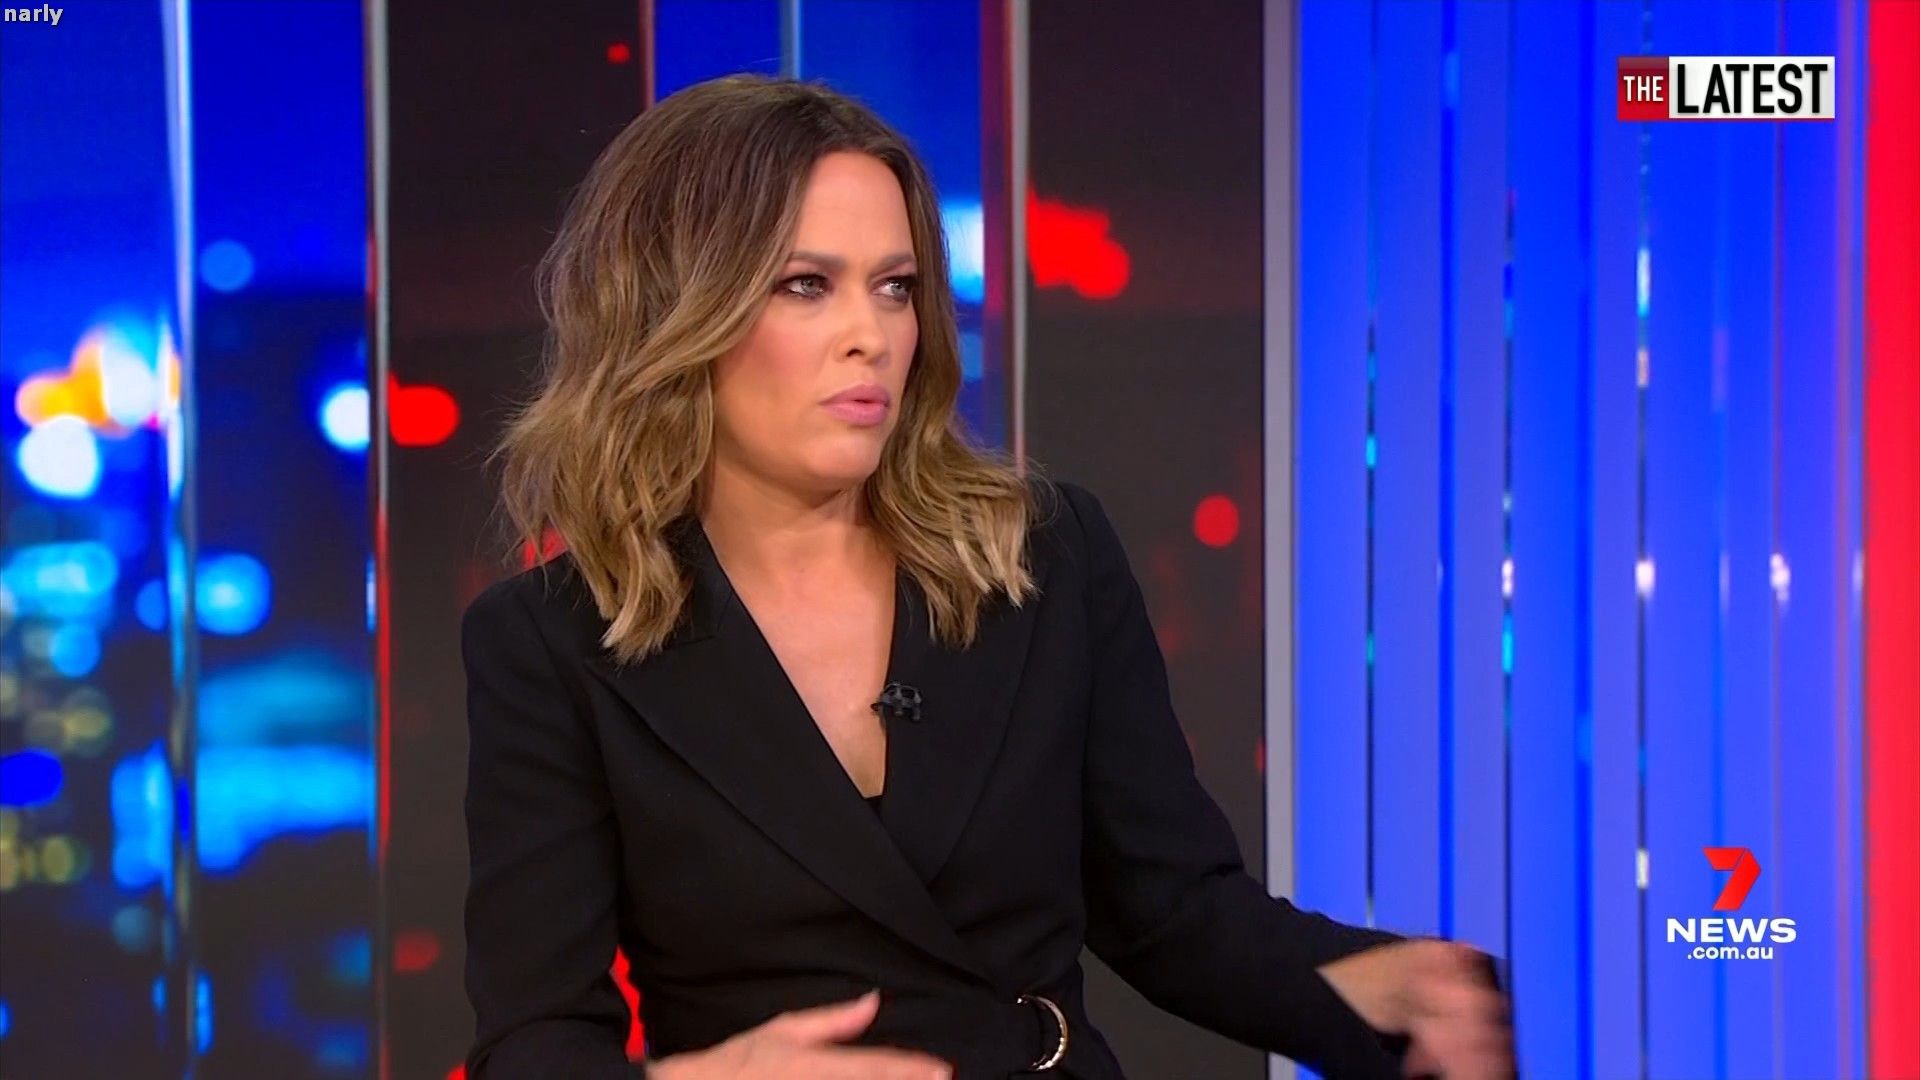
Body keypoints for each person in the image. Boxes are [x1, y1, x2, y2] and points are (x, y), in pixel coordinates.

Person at [461, 73, 1515, 1079]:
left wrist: (1378, 990)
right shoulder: (553, 641)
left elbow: (1174, 910)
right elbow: (535, 1038)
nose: (872, 336)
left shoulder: (1038, 557)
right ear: (674, 311)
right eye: (805, 285)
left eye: (896, 288)